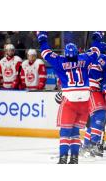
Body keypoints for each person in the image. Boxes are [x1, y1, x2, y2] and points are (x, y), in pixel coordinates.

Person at [37, 31, 100, 164]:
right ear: (77, 52)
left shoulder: (60, 61)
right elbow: (96, 51)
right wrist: (97, 37)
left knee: (65, 131)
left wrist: (42, 37)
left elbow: (45, 52)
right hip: (84, 101)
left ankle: (63, 157)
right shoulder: (84, 58)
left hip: (70, 100)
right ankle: (74, 158)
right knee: (75, 131)